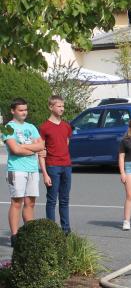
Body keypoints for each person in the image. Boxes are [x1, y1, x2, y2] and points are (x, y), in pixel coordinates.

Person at [4, 98, 45, 246]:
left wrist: (24, 147)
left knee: (30, 203)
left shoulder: (31, 127)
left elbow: (41, 145)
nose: (24, 113)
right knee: (17, 202)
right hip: (17, 169)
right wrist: (31, 148)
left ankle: (29, 233)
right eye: (21, 110)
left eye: (25, 110)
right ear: (13, 111)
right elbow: (15, 150)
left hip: (32, 169)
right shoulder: (7, 128)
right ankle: (15, 235)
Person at [38, 95, 73, 235]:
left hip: (66, 166)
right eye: (59, 106)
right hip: (52, 167)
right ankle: (51, 231)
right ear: (51, 107)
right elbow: (41, 151)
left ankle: (66, 230)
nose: (62, 109)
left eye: (63, 106)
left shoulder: (66, 126)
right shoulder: (44, 127)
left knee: (64, 200)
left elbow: (66, 143)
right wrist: (45, 173)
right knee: (52, 200)